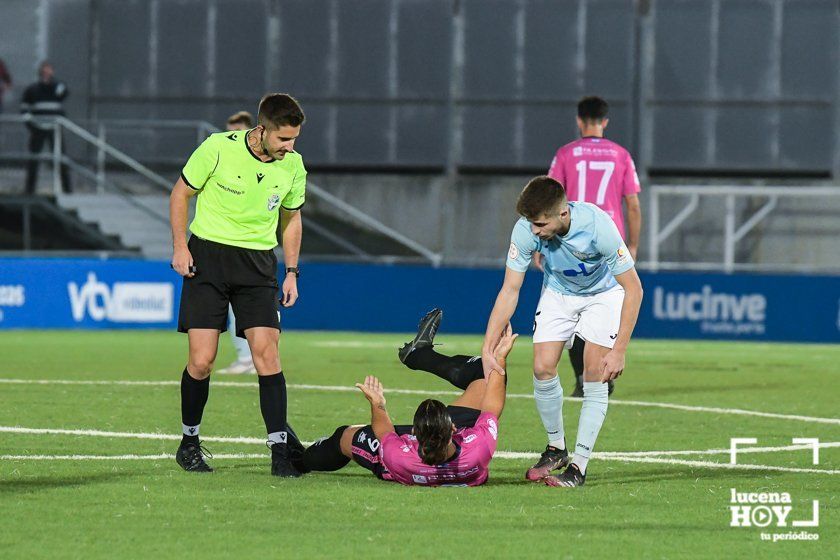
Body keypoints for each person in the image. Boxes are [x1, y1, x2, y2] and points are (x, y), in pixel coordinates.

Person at [170, 93, 306, 477]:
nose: (289, 147)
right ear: (261, 129)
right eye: (283, 139)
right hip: (207, 261)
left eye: (294, 139)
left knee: (268, 355)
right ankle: (189, 443)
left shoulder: (293, 165)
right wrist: (180, 246)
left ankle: (280, 451)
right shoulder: (217, 147)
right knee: (202, 360)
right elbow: (180, 193)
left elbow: (291, 218)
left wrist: (292, 271)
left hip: (257, 265)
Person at [481, 176, 643, 487]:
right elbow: (510, 290)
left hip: (603, 296)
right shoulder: (525, 231)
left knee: (594, 373)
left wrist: (619, 350)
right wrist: (487, 348)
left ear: (563, 215)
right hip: (559, 292)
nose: (534, 230)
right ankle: (556, 449)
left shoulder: (599, 226)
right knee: (542, 368)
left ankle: (578, 468)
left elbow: (633, 289)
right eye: (531, 223)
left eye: (540, 224)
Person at [294, 309, 514, 487]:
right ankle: (419, 354)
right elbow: (492, 407)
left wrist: (378, 405)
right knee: (483, 370)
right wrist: (499, 359)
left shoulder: (399, 456)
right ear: (454, 429)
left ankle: (297, 461)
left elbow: (386, 433)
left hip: (412, 457)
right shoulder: (477, 449)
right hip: (450, 450)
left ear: (414, 434)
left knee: (345, 436)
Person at [545, 96, 642, 397]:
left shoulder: (566, 154)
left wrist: (540, 244)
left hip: (571, 241)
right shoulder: (621, 155)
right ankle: (601, 371)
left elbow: (548, 198)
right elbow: (633, 205)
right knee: (605, 304)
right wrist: (633, 246)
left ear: (579, 120)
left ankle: (582, 377)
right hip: (609, 238)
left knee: (573, 308)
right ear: (605, 121)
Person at [216, 110, 259, 375]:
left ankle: (251, 357)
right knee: (234, 307)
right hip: (226, 245)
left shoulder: (260, 166)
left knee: (250, 306)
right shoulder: (225, 161)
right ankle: (248, 357)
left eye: (239, 131)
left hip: (250, 247)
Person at [21, 61, 71, 194]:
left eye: (49, 69)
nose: (47, 72)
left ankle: (67, 190)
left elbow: (64, 92)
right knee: (34, 160)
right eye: (44, 69)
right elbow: (24, 110)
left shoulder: (57, 88)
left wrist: (53, 83)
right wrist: (32, 126)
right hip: (38, 128)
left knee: (61, 159)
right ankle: (29, 190)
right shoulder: (32, 90)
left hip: (54, 128)